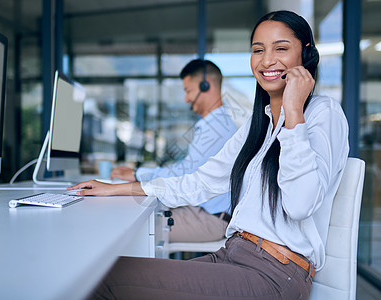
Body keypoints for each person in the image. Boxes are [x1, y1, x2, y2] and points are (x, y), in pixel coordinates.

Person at [69, 10, 349, 299]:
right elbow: (200, 181)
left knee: (101, 277)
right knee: (96, 271)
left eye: (281, 48)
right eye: (257, 50)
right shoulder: (259, 126)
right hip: (232, 254)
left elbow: (300, 205)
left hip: (274, 273)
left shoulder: (322, 114)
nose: (266, 61)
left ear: (306, 54)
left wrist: (293, 111)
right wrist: (118, 190)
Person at [110, 59, 237, 242]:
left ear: (205, 85)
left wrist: (139, 174)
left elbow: (186, 171)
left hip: (210, 218)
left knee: (133, 229)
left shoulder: (217, 128)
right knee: (133, 212)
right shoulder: (215, 124)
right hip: (201, 209)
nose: (186, 99)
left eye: (188, 91)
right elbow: (187, 168)